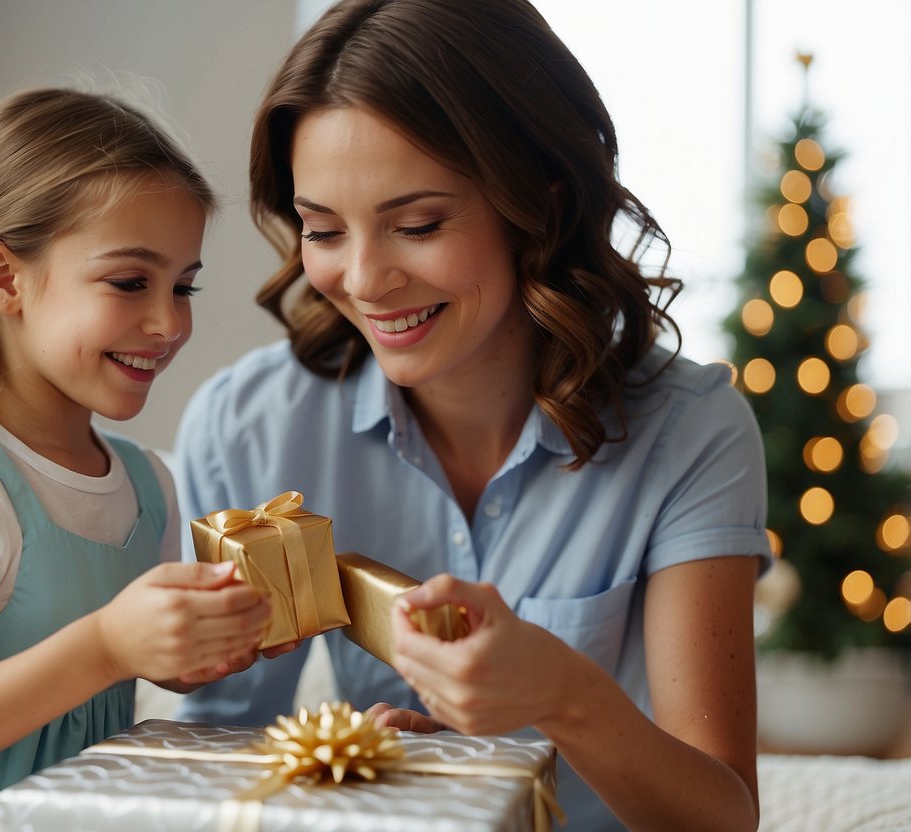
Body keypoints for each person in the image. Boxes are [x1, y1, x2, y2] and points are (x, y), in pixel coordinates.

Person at [174, 2, 771, 830]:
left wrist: (562, 695)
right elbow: (212, 762)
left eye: (416, 225)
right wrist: (371, 774)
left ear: (540, 204)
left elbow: (721, 817)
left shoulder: (689, 432)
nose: (365, 279)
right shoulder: (246, 426)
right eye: (322, 230)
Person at [0, 88, 272, 832]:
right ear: (4, 278)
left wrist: (190, 645)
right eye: (129, 282)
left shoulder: (146, 485)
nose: (168, 322)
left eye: (183, 285)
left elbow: (123, 673)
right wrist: (105, 645)